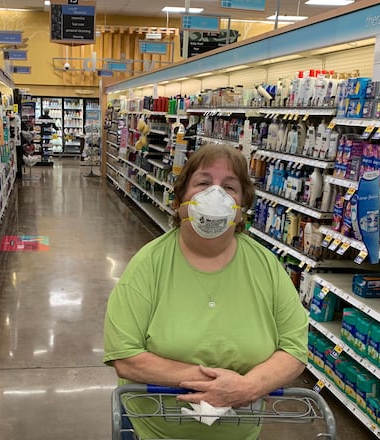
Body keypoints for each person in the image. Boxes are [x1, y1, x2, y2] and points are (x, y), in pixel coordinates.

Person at [103, 144, 308, 440]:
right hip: (156, 433)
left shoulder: (266, 267)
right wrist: (217, 386)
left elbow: (294, 348)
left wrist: (248, 387)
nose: (216, 196)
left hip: (241, 433)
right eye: (203, 183)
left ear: (241, 210)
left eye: (229, 187)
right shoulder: (148, 265)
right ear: (179, 202)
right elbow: (125, 355)